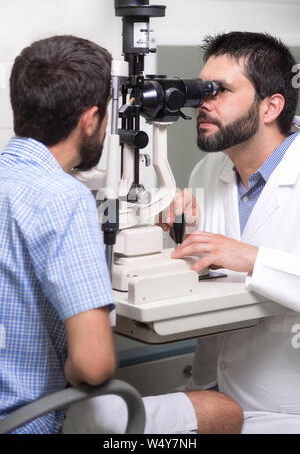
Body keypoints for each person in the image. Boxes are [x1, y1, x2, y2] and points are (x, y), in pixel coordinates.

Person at [0, 35, 243, 435]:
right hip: (34, 421)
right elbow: (93, 367)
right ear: (90, 119)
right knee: (224, 411)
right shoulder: (64, 198)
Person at [170, 31, 300, 433]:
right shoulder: (207, 170)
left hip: (285, 403)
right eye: (202, 88)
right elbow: (211, 271)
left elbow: (242, 259)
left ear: (270, 106)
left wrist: (254, 259)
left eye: (221, 90)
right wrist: (177, 235)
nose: (203, 104)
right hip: (214, 387)